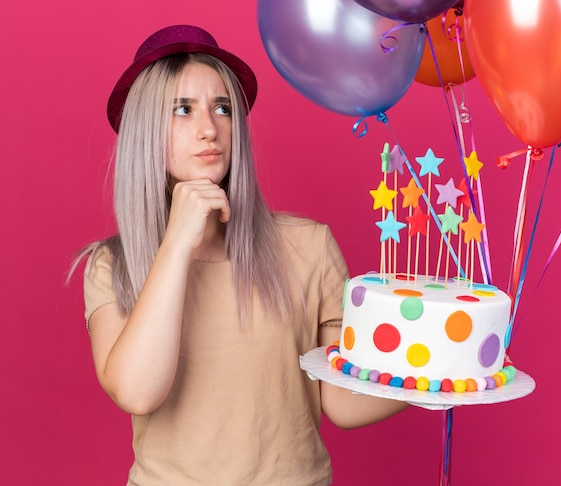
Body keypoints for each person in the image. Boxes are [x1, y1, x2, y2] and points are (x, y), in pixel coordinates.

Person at [80, 24, 408, 485]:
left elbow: (341, 402)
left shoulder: (309, 246)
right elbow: (137, 391)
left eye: (222, 108)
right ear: (145, 128)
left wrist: (443, 373)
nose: (209, 128)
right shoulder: (112, 265)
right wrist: (176, 245)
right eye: (182, 109)